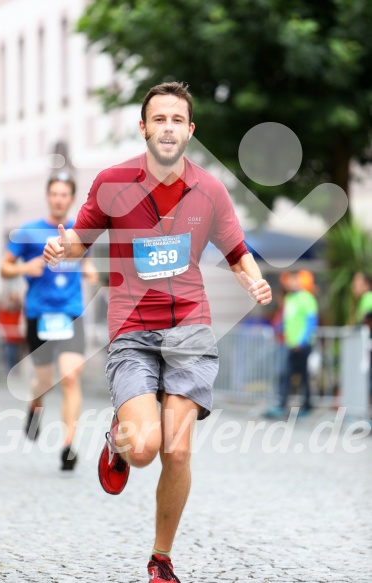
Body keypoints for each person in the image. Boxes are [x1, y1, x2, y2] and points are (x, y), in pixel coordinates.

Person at [43, 82, 272, 582]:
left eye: (177, 120)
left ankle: (160, 559)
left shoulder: (209, 189)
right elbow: (80, 240)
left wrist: (255, 282)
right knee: (143, 449)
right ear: (143, 127)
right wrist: (63, 250)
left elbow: (236, 252)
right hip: (133, 330)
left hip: (190, 328)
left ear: (190, 130)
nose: (167, 127)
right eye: (158, 119)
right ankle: (117, 441)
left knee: (179, 448)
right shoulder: (111, 183)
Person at [0, 172, 98, 470]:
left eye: (64, 194)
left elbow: (86, 260)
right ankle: (35, 404)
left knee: (69, 376)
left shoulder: (79, 232)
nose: (58, 199)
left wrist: (91, 272)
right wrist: (23, 268)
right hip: (38, 315)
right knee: (44, 381)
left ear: (70, 198)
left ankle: (68, 446)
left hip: (71, 313)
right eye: (54, 193)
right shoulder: (29, 231)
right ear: (48, 196)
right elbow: (5, 268)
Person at [265, 270, 318, 419]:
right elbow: (287, 320)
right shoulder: (290, 298)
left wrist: (302, 341)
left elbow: (311, 322)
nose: (292, 283)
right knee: (286, 374)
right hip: (290, 344)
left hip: (303, 345)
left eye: (295, 280)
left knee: (303, 376)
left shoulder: (307, 298)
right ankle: (282, 404)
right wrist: (279, 329)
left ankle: (307, 405)